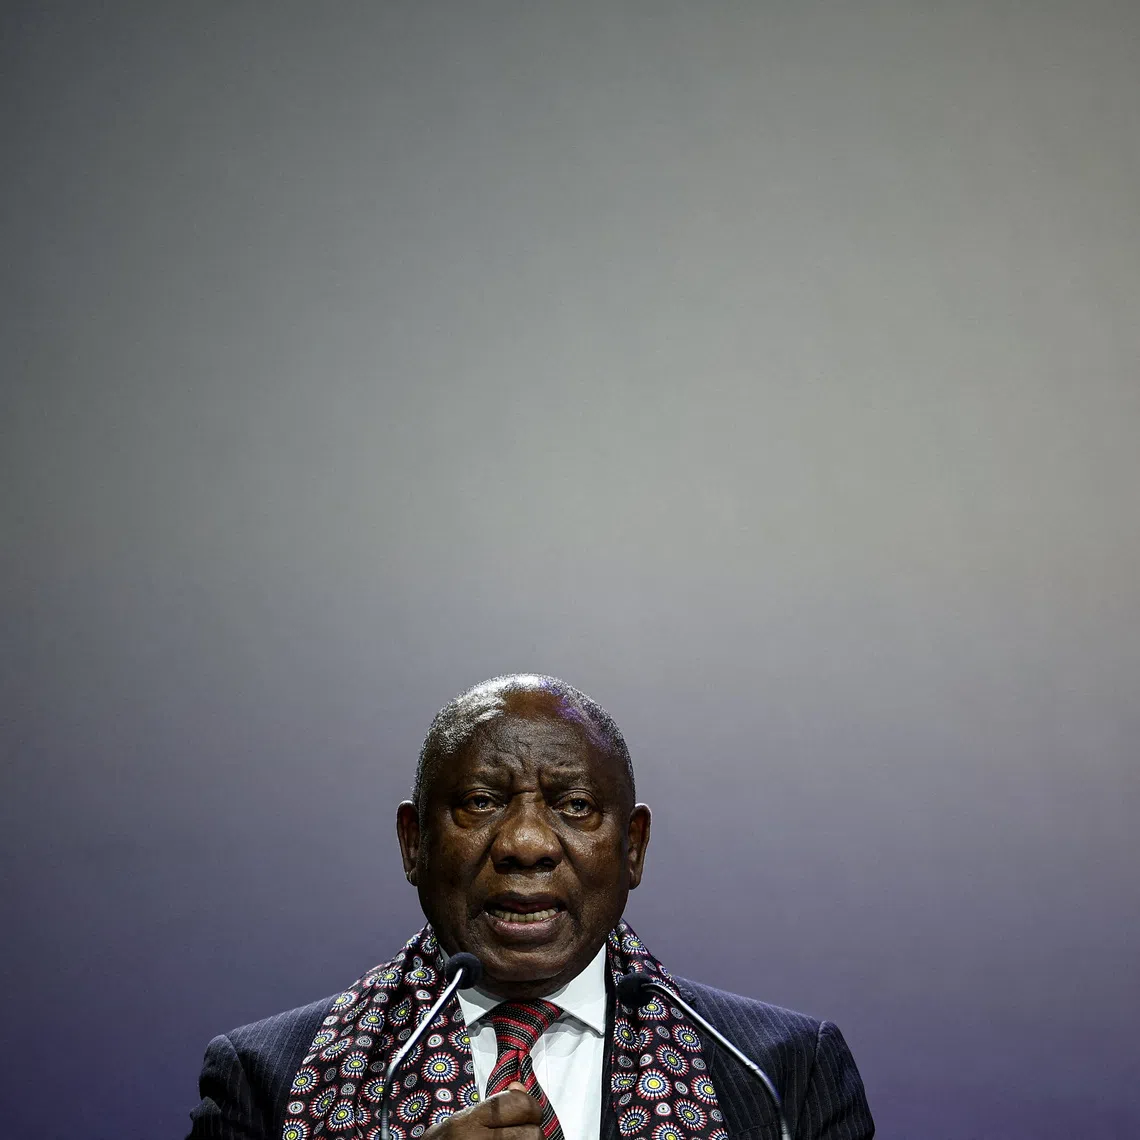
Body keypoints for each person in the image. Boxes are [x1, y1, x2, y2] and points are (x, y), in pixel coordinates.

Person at [187, 674, 874, 1139]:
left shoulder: (782, 1073)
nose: (524, 843)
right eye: (481, 803)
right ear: (413, 843)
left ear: (632, 848)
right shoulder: (264, 1078)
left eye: (574, 806)